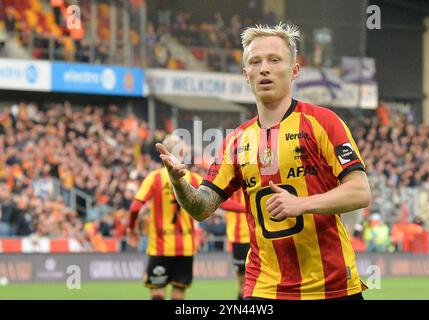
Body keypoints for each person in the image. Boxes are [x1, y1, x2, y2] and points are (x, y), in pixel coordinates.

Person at [156, 23, 371, 300]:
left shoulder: (322, 122)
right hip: (264, 288)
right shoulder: (235, 142)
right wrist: (178, 183)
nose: (264, 69)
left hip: (332, 286)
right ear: (246, 75)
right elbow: (201, 207)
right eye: (255, 62)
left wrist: (301, 204)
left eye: (274, 60)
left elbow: (360, 191)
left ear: (294, 70)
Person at [127, 135, 248, 299]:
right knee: (179, 294)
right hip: (185, 246)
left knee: (157, 294)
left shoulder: (154, 178)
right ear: (181, 152)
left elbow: (135, 207)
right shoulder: (191, 177)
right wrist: (246, 208)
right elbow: (216, 201)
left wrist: (131, 228)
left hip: (159, 246)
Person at [224, 188, 250, 300]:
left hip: (260, 236)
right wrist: (246, 209)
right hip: (240, 238)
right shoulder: (229, 177)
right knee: (243, 285)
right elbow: (221, 201)